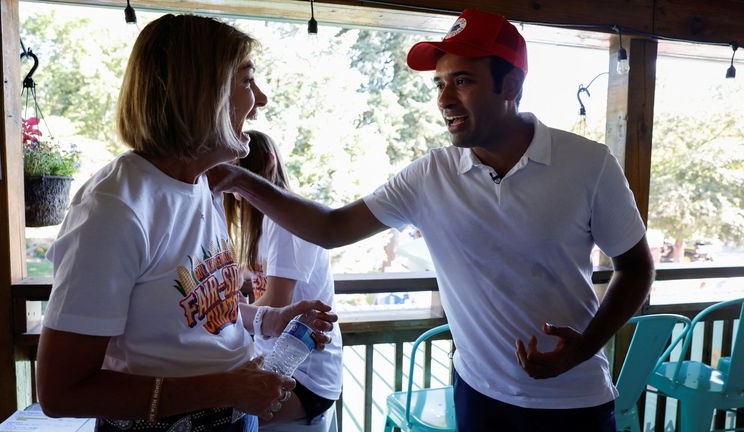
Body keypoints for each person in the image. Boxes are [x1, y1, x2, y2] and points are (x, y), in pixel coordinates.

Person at [211, 8, 654, 431]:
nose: (444, 99)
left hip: (572, 400)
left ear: (511, 84)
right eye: (439, 84)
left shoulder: (588, 165)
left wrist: (583, 349)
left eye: (462, 81)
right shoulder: (431, 174)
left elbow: (636, 267)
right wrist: (239, 179)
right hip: (478, 394)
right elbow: (331, 229)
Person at [35, 14, 336, 432]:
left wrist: (270, 318)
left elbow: (193, 315)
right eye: (247, 81)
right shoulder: (114, 209)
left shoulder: (197, 185)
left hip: (235, 415)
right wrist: (225, 388)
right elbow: (60, 392)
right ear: (202, 93)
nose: (261, 99)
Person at [225, 130, 343, 431]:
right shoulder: (262, 224)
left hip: (305, 373)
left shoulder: (286, 221)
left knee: (220, 420)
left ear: (269, 161)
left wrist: (224, 316)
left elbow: (277, 302)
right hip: (276, 359)